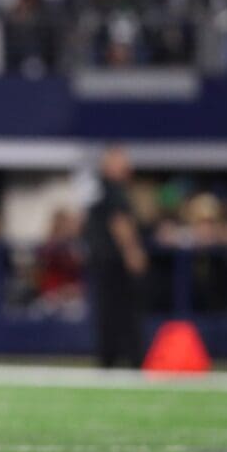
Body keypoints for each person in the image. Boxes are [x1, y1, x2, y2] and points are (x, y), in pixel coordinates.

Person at [84, 147, 148, 368]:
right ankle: (124, 358)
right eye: (121, 162)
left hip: (105, 261)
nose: (127, 166)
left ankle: (112, 358)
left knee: (112, 312)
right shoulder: (112, 190)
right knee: (121, 312)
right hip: (113, 262)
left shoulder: (100, 189)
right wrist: (132, 251)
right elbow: (119, 222)